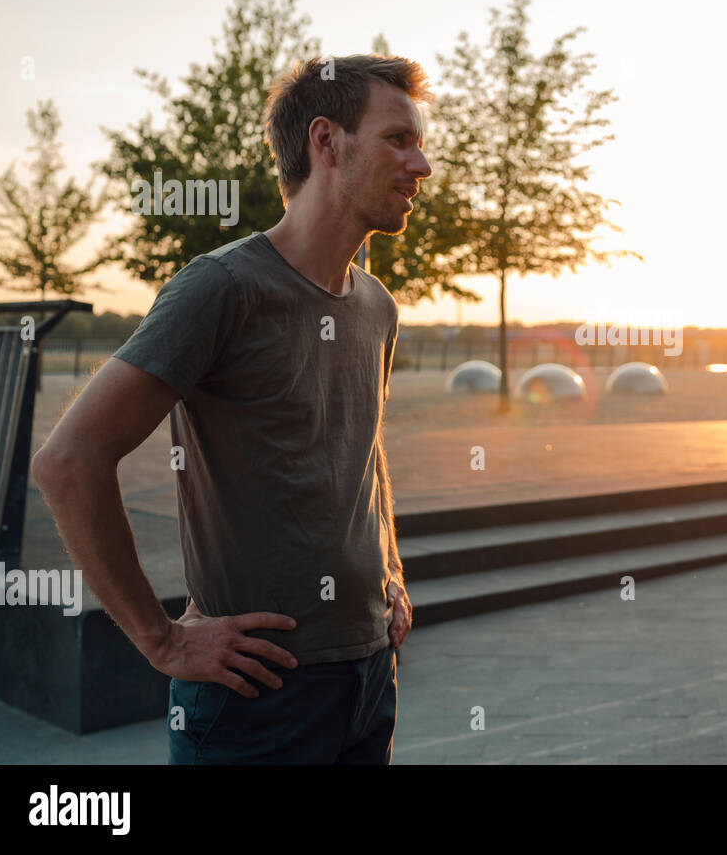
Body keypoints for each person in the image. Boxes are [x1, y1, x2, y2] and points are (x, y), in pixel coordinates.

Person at [30, 54, 430, 764]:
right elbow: (68, 460)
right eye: (398, 139)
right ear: (326, 141)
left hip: (370, 677)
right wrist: (163, 639)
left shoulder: (377, 307)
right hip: (257, 700)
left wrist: (391, 567)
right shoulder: (221, 288)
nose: (421, 164)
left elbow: (366, 452)